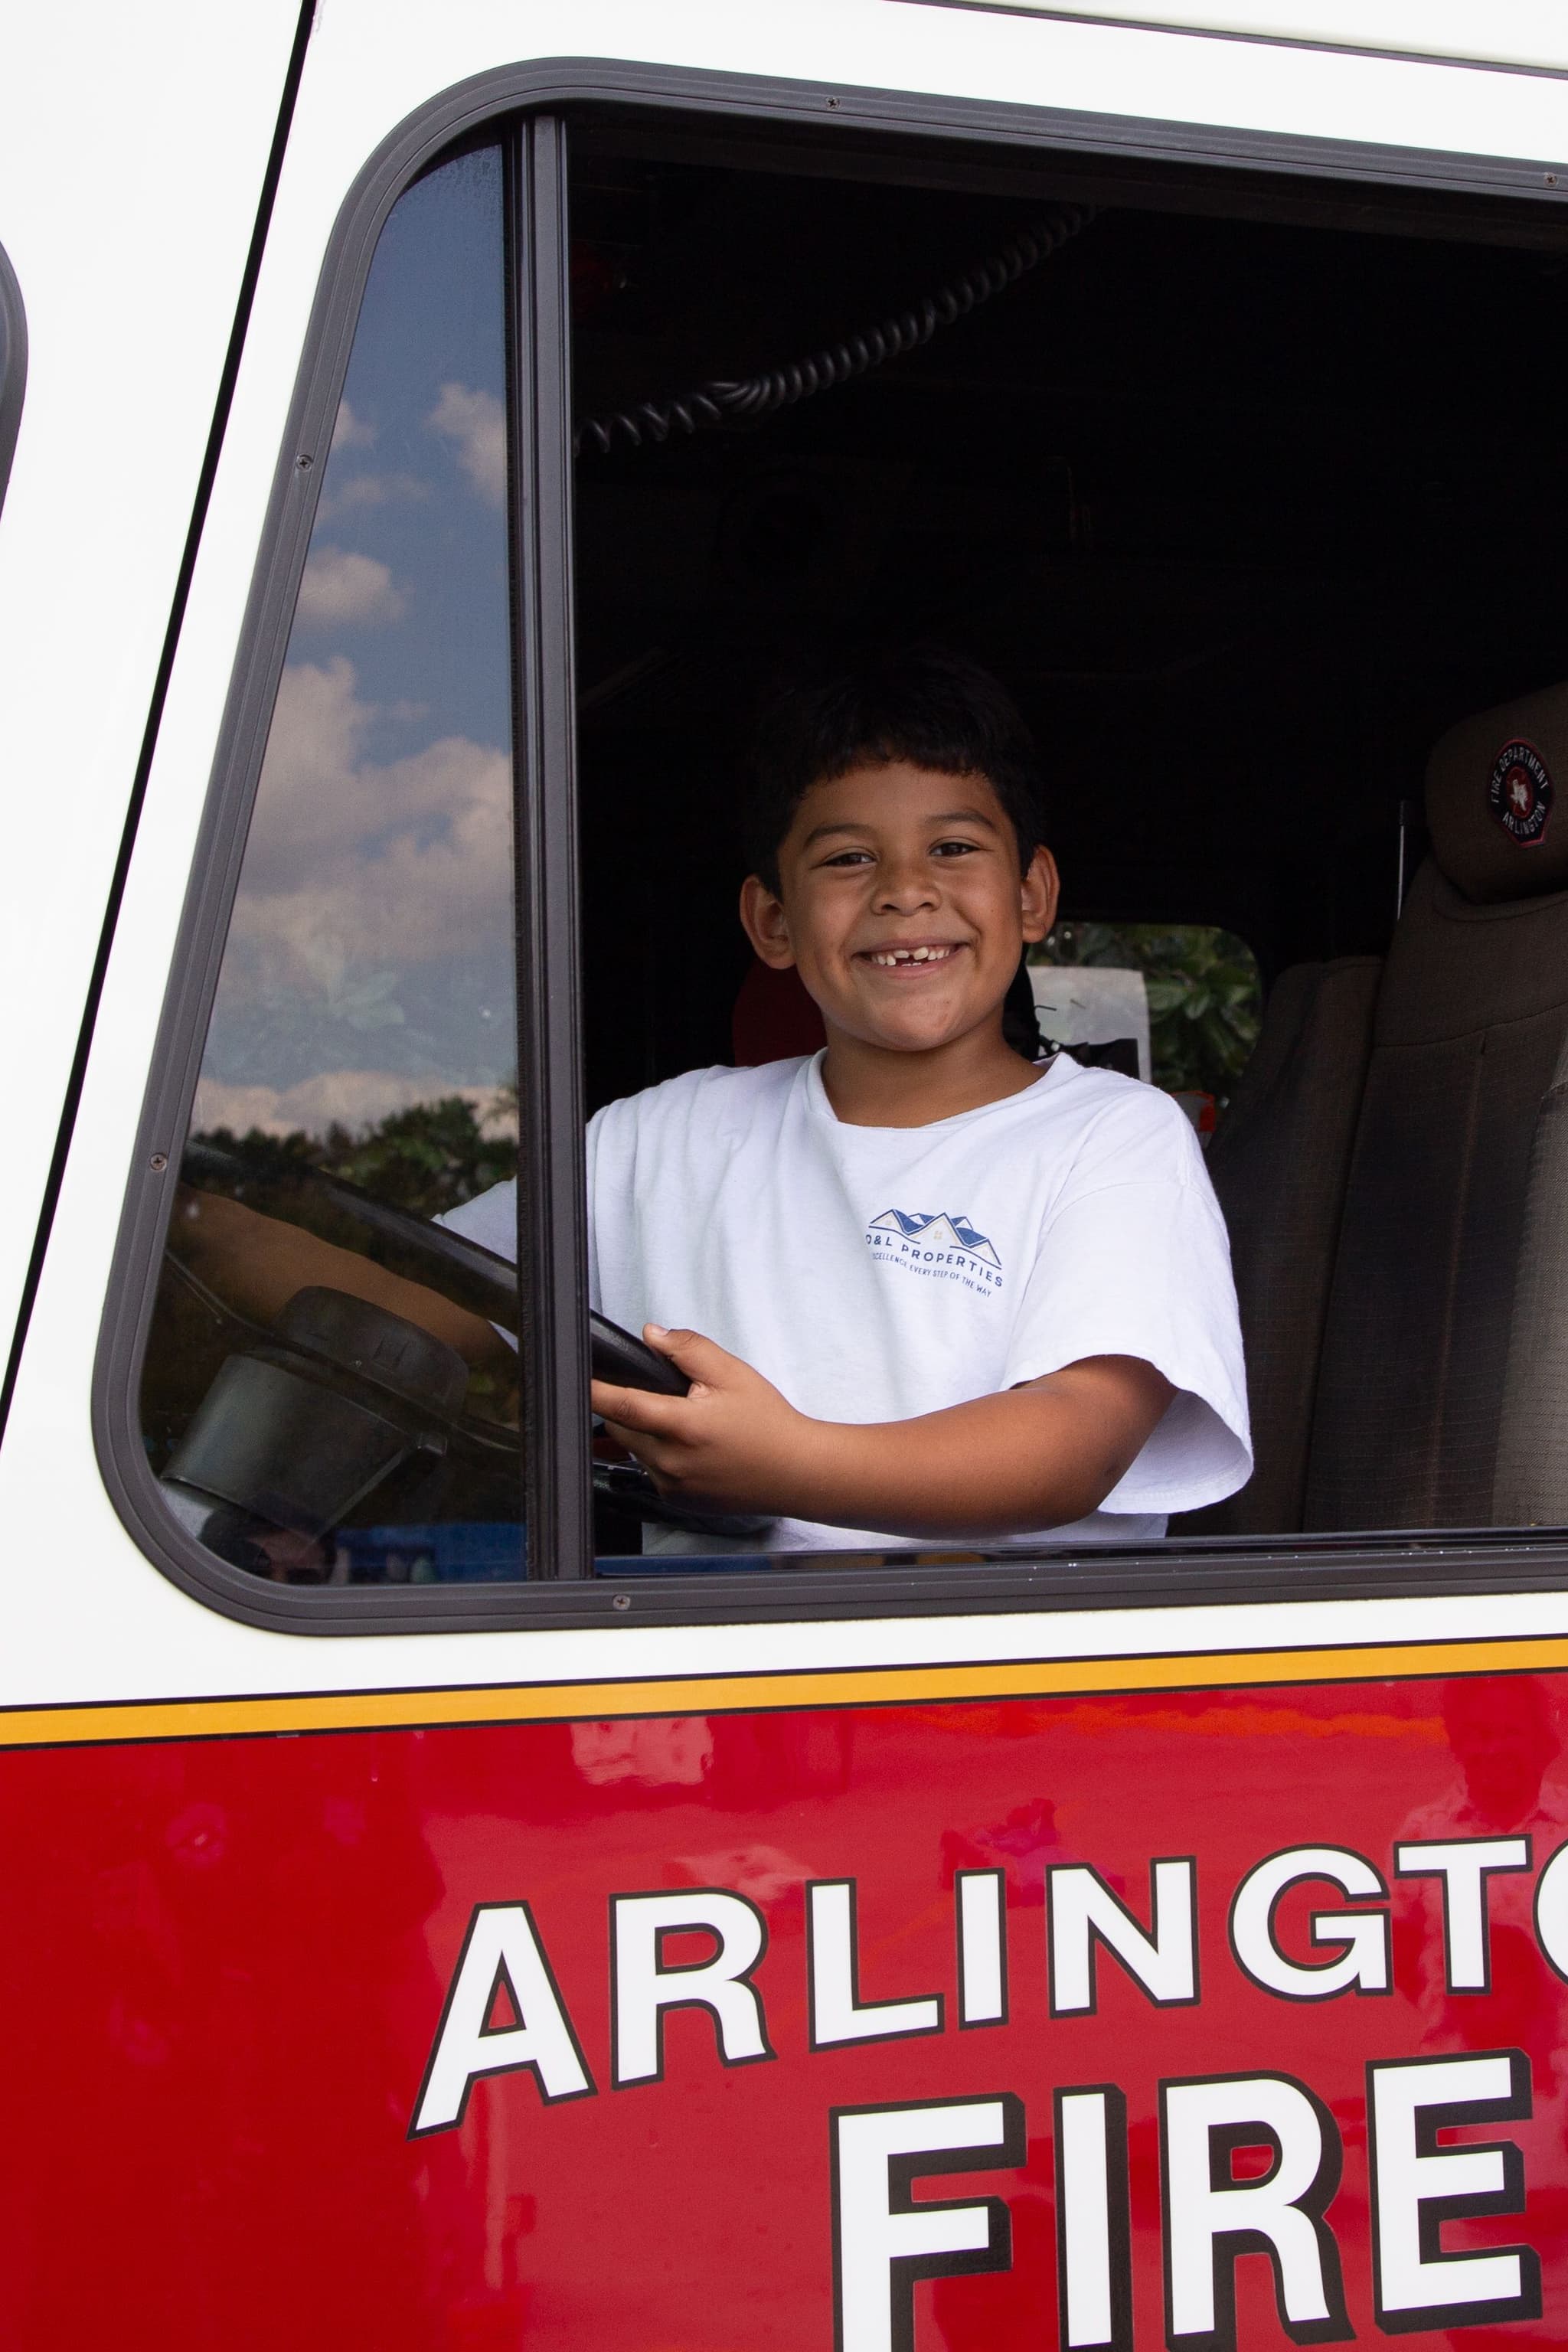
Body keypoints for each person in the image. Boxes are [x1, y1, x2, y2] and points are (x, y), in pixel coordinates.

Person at [444, 645, 1251, 1553]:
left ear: (1030, 896)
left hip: (1015, 1677)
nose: (905, 891)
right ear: (773, 923)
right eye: (847, 858)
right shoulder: (661, 1139)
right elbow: (430, 1291)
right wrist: (253, 1216)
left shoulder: (1110, 1136)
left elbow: (1077, 1442)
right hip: (709, 1679)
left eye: (951, 848)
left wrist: (787, 1464)